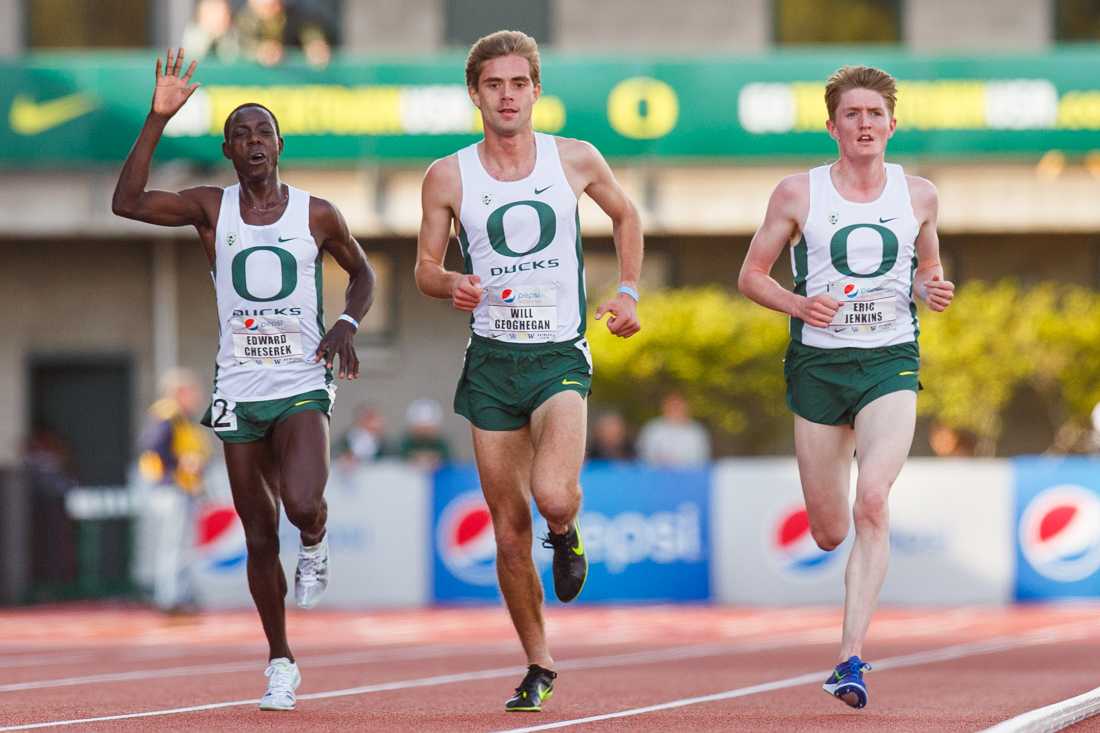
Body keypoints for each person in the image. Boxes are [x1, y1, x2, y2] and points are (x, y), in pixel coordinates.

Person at [112, 49, 375, 712]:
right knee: (257, 530)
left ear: (279, 144)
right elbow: (127, 202)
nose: (254, 141)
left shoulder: (317, 213)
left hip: (301, 376)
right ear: (228, 149)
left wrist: (345, 320)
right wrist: (156, 117)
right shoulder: (210, 207)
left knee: (302, 502)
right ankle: (280, 660)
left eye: (264, 131)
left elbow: (365, 273)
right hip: (238, 382)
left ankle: (314, 540)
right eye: (242, 133)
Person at [415, 30, 643, 712]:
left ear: (536, 91)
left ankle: (567, 531)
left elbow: (625, 213)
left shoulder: (573, 158)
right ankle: (538, 660)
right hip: (490, 362)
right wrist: (449, 281)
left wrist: (628, 289)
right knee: (508, 526)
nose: (507, 96)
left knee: (551, 494)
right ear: (475, 94)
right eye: (494, 85)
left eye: (519, 84)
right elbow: (425, 267)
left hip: (558, 354)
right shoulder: (448, 174)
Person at [738, 65, 954, 710]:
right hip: (819, 367)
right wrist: (798, 306)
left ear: (893, 123)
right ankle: (846, 635)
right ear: (832, 127)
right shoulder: (796, 194)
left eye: (874, 114)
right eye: (852, 115)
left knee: (874, 504)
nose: (864, 125)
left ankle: (850, 657)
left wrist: (929, 287)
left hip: (890, 361)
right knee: (831, 531)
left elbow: (929, 263)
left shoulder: (919, 195)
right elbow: (751, 276)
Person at [137, 368, 211, 613]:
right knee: (173, 546)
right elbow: (151, 445)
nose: (198, 396)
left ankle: (181, 594)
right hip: (171, 489)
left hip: (184, 489)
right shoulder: (167, 415)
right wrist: (180, 461)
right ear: (180, 392)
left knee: (182, 546)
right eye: (193, 391)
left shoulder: (182, 418)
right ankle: (170, 597)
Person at [234, 0, 331, 68]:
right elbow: (241, 44)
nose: (270, 3)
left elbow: (310, 33)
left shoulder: (295, 14)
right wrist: (260, 51)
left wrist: (315, 45)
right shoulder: (244, 19)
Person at [635, 392, 710, 467]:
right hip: (656, 473)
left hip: (687, 474)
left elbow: (702, 457)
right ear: (664, 407)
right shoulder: (653, 428)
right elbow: (642, 452)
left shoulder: (696, 431)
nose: (675, 409)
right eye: (671, 405)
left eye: (678, 406)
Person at [397, 398, 452, 470]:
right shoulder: (404, 443)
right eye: (421, 429)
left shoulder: (441, 444)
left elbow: (448, 463)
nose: (424, 432)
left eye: (427, 429)